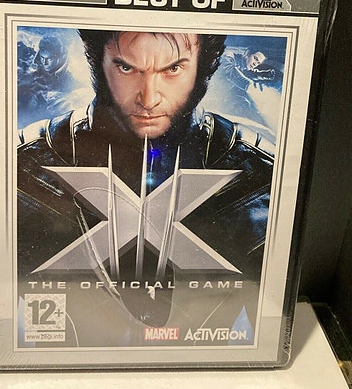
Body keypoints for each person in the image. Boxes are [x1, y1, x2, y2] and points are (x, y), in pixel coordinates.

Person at [17, 31, 274, 328]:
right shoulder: (29, 163)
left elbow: (269, 329)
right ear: (97, 61)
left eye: (172, 69)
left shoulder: (258, 173)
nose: (149, 99)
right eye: (127, 68)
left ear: (204, 66)